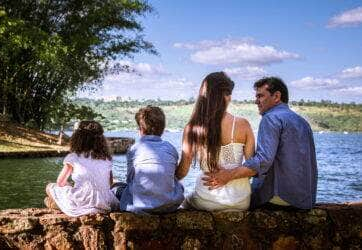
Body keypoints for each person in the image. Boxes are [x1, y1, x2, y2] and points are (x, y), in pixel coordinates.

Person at [203, 77, 318, 210]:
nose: (256, 101)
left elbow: (263, 160)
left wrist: (228, 176)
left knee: (230, 202)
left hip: (279, 197)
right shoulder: (302, 121)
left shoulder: (271, 118)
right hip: (304, 200)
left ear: (276, 96)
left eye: (260, 96)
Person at [175, 72, 255, 211]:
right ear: (226, 96)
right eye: (229, 93)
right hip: (240, 200)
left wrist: (166, 177)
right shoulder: (243, 125)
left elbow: (183, 170)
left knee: (183, 205)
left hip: (207, 198)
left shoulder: (192, 128)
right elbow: (253, 167)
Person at [115, 105, 184, 214]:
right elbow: (170, 175)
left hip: (140, 206)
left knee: (117, 188)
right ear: (163, 129)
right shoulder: (170, 148)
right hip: (169, 205)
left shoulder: (134, 149)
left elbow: (130, 179)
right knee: (179, 186)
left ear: (141, 129)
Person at [45, 121, 118, 217]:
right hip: (104, 202)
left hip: (82, 200)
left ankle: (57, 204)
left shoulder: (73, 157)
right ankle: (59, 204)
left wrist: (69, 185)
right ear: (101, 141)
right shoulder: (106, 158)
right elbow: (110, 184)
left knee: (50, 187)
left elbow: (60, 182)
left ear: (77, 138)